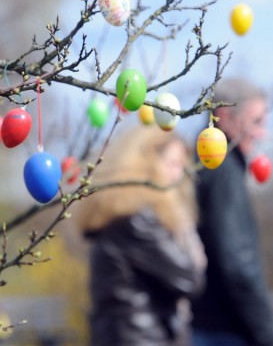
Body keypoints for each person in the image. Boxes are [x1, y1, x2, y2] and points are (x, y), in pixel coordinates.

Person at [76, 126, 206, 346]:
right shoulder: (136, 223)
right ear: (145, 163)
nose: (178, 175)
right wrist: (183, 224)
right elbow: (190, 278)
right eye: (173, 164)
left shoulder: (118, 218)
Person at [192, 78, 273, 346]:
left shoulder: (202, 164)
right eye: (256, 122)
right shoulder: (223, 172)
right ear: (224, 115)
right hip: (224, 331)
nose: (262, 133)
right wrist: (266, 332)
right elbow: (238, 263)